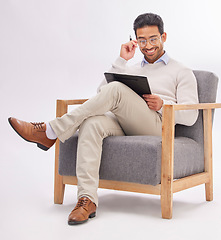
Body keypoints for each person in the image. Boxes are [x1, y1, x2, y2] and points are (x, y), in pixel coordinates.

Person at [8, 13, 199, 225]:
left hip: (157, 126)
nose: (148, 46)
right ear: (135, 40)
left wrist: (163, 105)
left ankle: (50, 131)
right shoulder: (132, 68)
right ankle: (87, 199)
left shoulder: (182, 71)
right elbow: (101, 94)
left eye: (153, 39)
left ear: (163, 36)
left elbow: (191, 116)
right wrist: (121, 60)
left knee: (116, 89)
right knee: (92, 122)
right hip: (126, 123)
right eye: (142, 40)